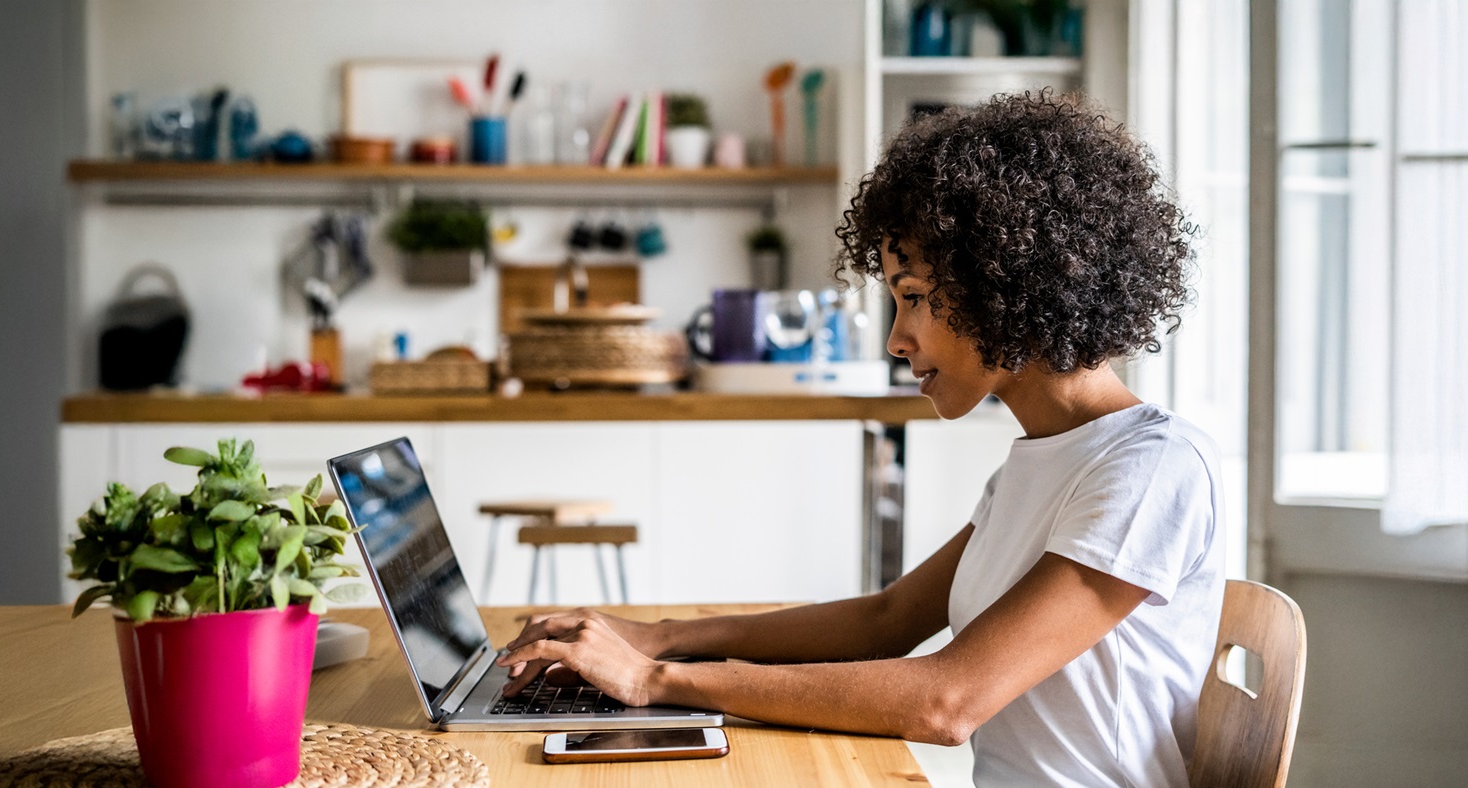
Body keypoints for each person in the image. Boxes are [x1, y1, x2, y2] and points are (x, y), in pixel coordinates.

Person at [496, 91, 1225, 787]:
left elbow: (948, 701)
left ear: (1008, 285)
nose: (898, 339)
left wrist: (657, 681)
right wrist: (657, 636)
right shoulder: (1034, 466)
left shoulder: (1151, 469)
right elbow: (889, 620)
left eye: (913, 299)